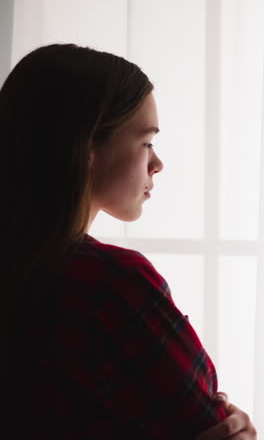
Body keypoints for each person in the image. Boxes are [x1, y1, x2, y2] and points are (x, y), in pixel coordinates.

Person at [0, 43, 257, 439]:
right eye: (146, 141)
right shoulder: (108, 283)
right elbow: (207, 424)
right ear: (87, 146)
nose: (157, 163)